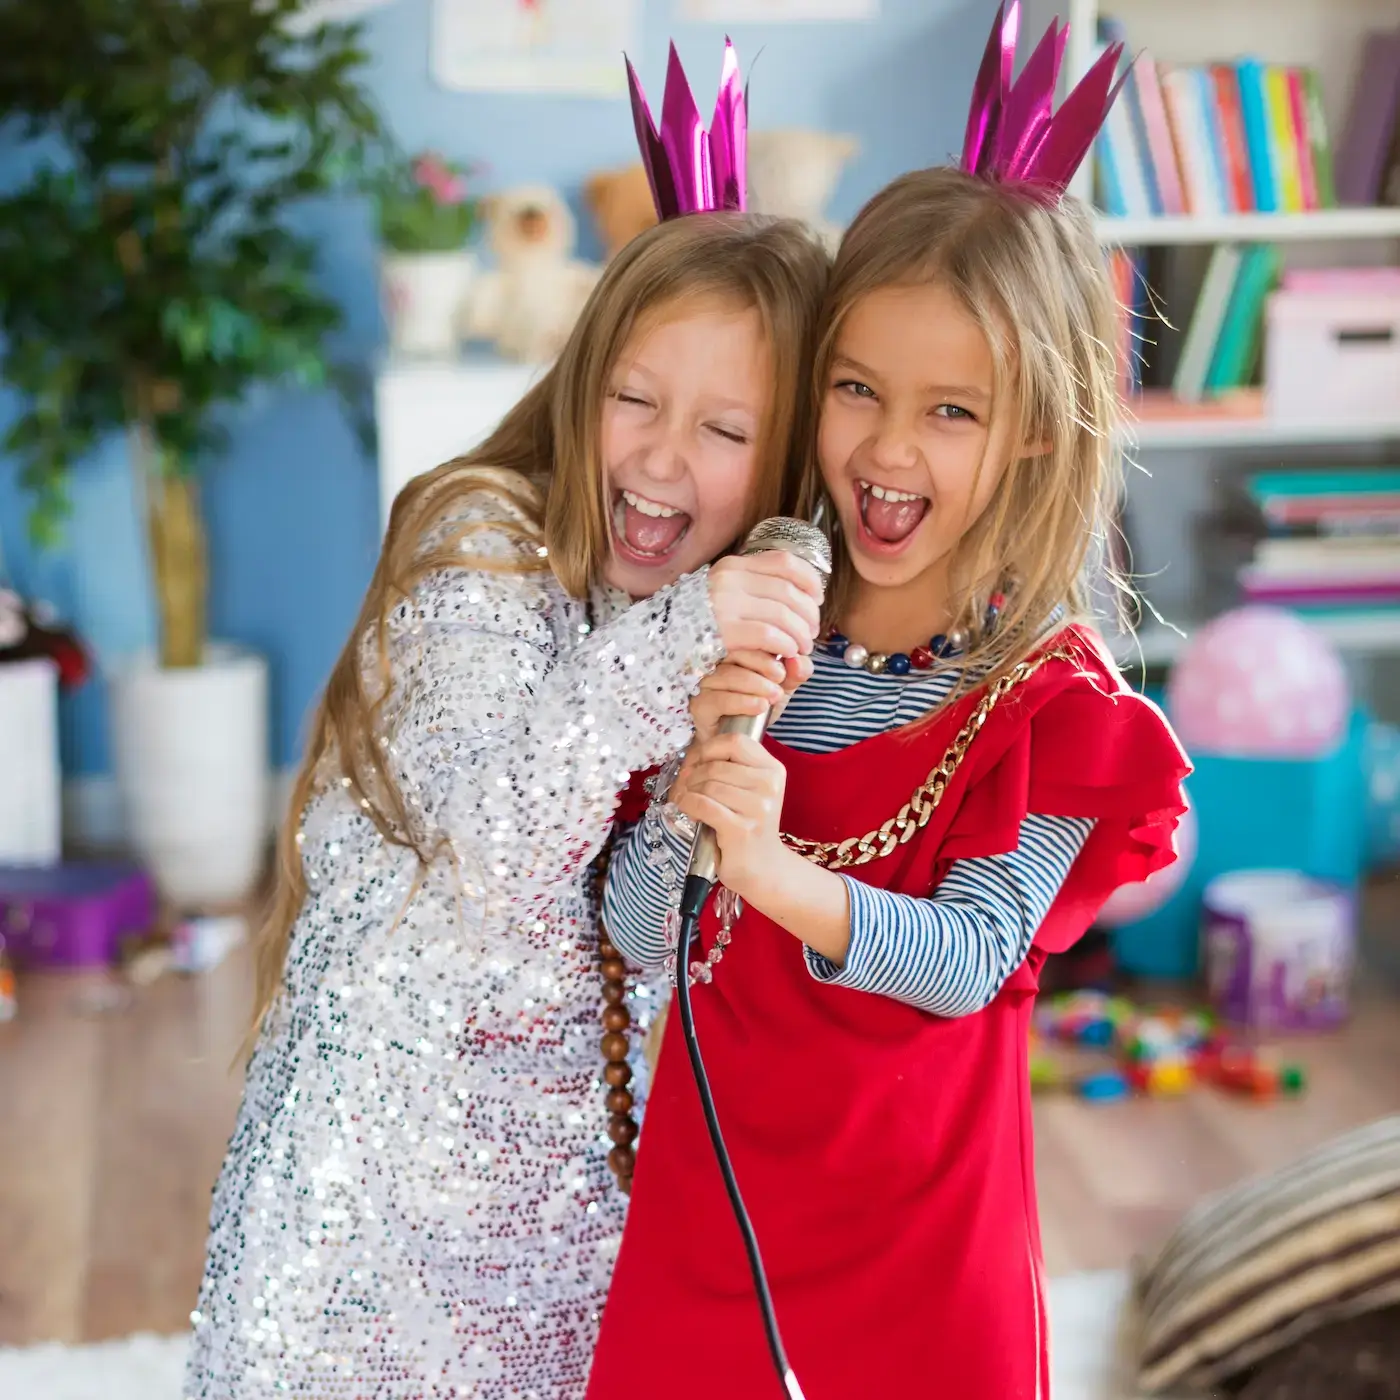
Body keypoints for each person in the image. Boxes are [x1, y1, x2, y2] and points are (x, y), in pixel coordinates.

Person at [184, 41, 829, 1400]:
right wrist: (684, 634)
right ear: (582, 379)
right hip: (364, 1236)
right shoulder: (480, 542)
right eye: (635, 399)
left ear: (778, 471)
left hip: (569, 1215)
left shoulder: (716, 623)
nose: (661, 457)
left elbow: (653, 928)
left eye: (725, 432)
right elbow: (486, 856)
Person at [588, 8, 1191, 1398]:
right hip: (714, 1207)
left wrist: (769, 868)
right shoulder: (745, 624)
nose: (889, 448)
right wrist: (699, 772)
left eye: (951, 411)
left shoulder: (1050, 705)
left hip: (920, 1251)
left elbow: (970, 958)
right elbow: (636, 930)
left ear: (1036, 427)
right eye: (857, 390)